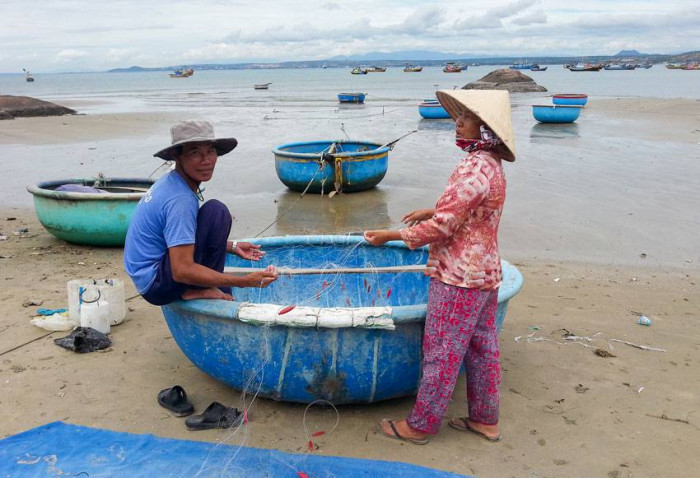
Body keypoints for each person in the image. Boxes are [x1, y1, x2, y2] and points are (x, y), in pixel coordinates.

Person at [364, 90, 516, 445]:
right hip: (485, 272)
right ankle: (485, 420)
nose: (457, 122)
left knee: (442, 353)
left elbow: (446, 226)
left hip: (459, 276)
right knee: (483, 348)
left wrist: (393, 234)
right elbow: (474, 210)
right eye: (459, 115)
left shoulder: (474, 166)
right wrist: (428, 210)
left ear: (485, 128)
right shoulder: (492, 164)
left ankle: (420, 425)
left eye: (466, 117)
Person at [124, 120, 278, 306]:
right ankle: (198, 289)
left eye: (210, 152)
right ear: (176, 155)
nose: (206, 161)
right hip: (157, 286)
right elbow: (181, 270)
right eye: (195, 153)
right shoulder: (180, 199)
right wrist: (245, 281)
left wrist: (229, 245)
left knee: (213, 214)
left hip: (149, 277)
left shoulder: (171, 181)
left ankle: (195, 289)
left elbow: (178, 237)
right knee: (216, 212)